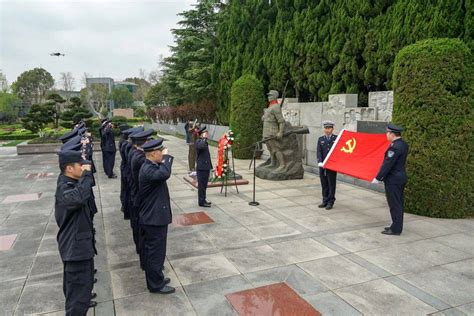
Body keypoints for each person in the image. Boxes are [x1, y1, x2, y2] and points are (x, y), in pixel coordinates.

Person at [55, 150, 97, 315]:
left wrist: (85, 175)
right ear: (69, 169)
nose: (83, 168)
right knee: (76, 300)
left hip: (80, 246)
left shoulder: (71, 181)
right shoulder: (65, 187)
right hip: (75, 249)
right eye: (80, 166)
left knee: (82, 289)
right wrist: (86, 175)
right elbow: (78, 198)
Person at [138, 138, 175, 294]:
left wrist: (163, 158)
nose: (162, 154)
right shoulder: (148, 170)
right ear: (153, 154)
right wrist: (167, 158)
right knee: (155, 253)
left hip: (153, 216)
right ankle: (155, 284)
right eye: (160, 152)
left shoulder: (150, 165)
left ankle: (156, 277)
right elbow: (165, 173)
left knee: (156, 252)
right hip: (153, 218)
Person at [372, 123, 409, 236]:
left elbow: (388, 164)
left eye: (387, 133)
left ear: (392, 134)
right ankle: (395, 225)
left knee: (394, 204)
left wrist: (378, 177)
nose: (386, 135)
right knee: (398, 203)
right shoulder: (403, 144)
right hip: (400, 178)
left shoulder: (394, 147)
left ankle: (396, 229)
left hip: (393, 180)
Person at [262, 90, 286, 171]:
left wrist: (280, 132)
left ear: (275, 96)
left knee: (275, 149)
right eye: (268, 95)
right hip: (266, 132)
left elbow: (281, 121)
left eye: (271, 95)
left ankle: (282, 165)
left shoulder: (276, 106)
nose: (269, 97)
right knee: (270, 149)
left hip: (272, 132)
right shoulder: (270, 106)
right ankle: (272, 163)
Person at [317, 120, 338, 210]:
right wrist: (320, 161)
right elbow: (319, 152)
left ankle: (330, 201)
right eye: (326, 128)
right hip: (322, 165)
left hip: (332, 166)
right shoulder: (321, 139)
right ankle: (325, 200)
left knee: (331, 184)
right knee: (324, 183)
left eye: (329, 128)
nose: (327, 130)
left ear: (332, 129)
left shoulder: (336, 139)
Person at [195, 125, 212, 207]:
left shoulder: (204, 141)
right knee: (201, 186)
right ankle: (201, 202)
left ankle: (203, 199)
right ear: (201, 134)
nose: (207, 135)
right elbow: (201, 146)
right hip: (201, 168)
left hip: (205, 167)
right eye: (205, 133)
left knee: (204, 185)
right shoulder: (198, 142)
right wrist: (204, 138)